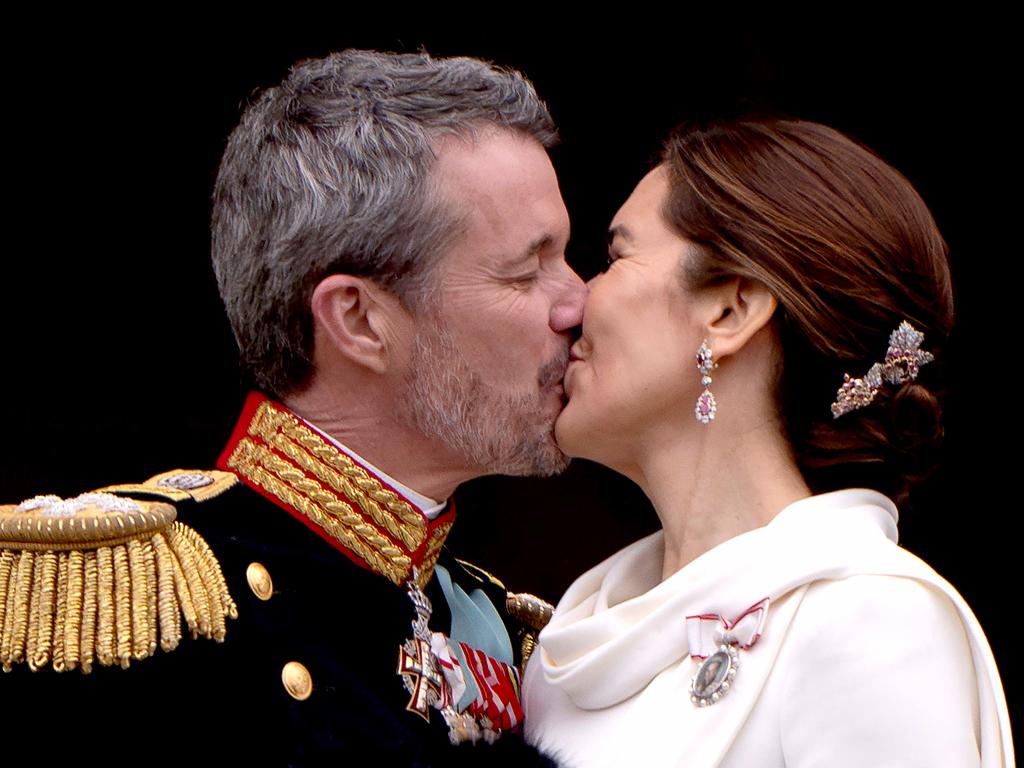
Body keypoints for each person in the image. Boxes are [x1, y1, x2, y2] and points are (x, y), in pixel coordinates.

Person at [1, 50, 584, 765]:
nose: (579, 302)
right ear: (360, 321)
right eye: (528, 270)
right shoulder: (117, 598)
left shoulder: (504, 628)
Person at [522, 119, 1014, 766]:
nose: (573, 301)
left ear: (730, 313)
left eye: (615, 259)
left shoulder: (869, 622)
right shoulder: (567, 642)